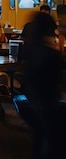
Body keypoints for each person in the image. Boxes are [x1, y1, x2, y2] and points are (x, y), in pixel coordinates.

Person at [22, 12, 65, 159]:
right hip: (48, 105)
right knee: (51, 142)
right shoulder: (51, 55)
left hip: (30, 102)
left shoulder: (29, 49)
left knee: (40, 138)